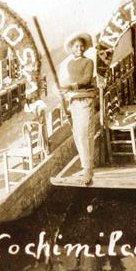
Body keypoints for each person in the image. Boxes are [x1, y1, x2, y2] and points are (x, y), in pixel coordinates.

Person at [59, 32, 97, 185]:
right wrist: (63, 89)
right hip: (74, 100)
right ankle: (85, 165)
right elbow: (71, 80)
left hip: (85, 99)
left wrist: (71, 86)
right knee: (77, 134)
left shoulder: (88, 62)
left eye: (82, 46)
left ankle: (88, 168)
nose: (80, 49)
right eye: (77, 46)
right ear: (72, 49)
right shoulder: (69, 64)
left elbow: (86, 79)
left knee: (85, 133)